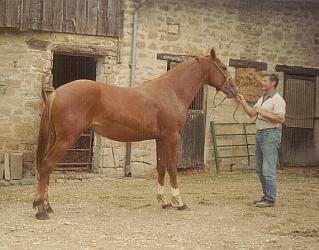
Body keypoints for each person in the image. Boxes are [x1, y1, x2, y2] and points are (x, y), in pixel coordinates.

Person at [236, 74, 286, 208]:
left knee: (268, 169)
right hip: (260, 134)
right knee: (259, 168)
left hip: (270, 134)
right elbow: (252, 113)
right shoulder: (262, 98)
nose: (261, 82)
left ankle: (270, 199)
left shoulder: (278, 100)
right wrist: (243, 102)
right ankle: (266, 195)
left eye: (264, 80)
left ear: (273, 83)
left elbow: (281, 119)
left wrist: (261, 112)